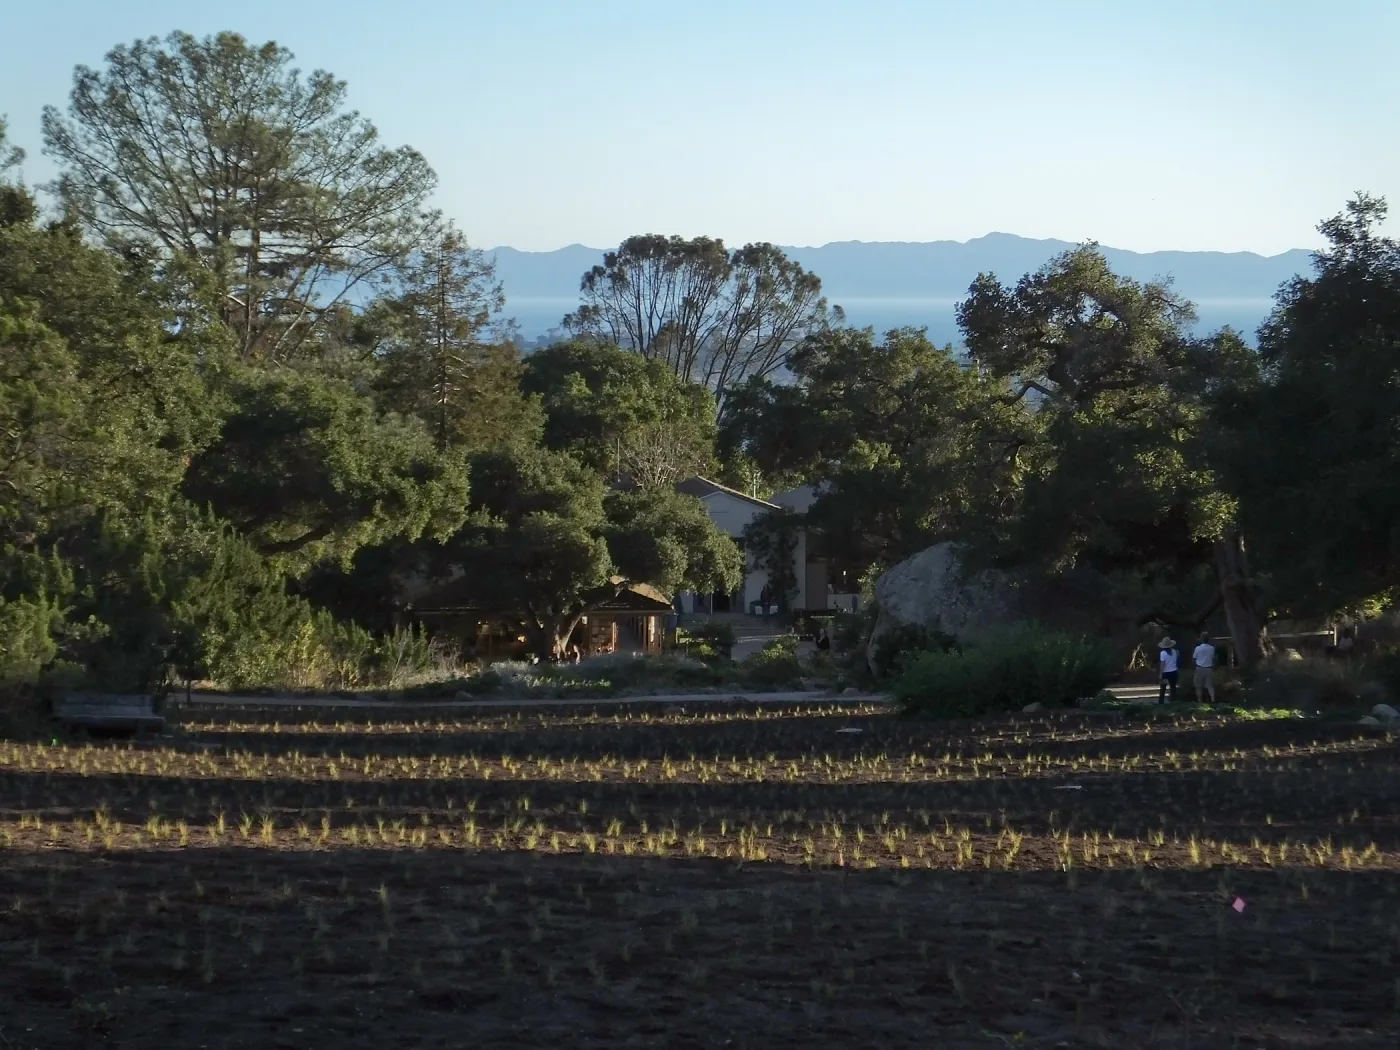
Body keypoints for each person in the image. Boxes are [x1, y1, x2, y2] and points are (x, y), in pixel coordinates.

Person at [1192, 632, 1217, 703]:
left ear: (1201, 639)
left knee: (1198, 686)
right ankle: (1213, 700)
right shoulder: (1212, 648)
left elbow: (1194, 658)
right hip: (1209, 668)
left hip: (1199, 668)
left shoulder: (1198, 648)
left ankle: (1200, 701)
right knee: (1210, 686)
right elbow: (1213, 658)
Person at [1157, 637, 1180, 705]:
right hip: (1174, 672)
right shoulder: (1175, 651)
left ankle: (1161, 702)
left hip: (1166, 673)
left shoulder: (1163, 653)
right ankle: (1173, 702)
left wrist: (1160, 674)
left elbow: (1162, 664)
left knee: (1163, 688)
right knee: (1173, 688)